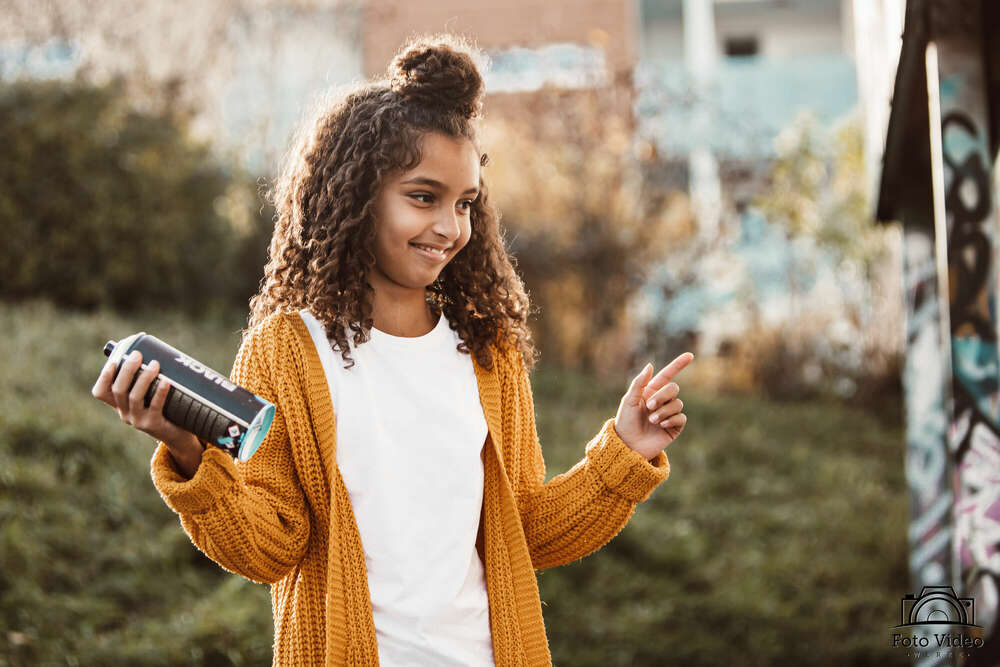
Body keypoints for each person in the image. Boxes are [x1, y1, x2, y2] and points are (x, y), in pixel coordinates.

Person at [91, 32, 693, 667]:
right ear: (354, 197)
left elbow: (526, 530)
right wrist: (188, 451)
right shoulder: (287, 352)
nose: (449, 227)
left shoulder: (487, 352)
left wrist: (624, 454)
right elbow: (271, 548)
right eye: (422, 197)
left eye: (465, 203)